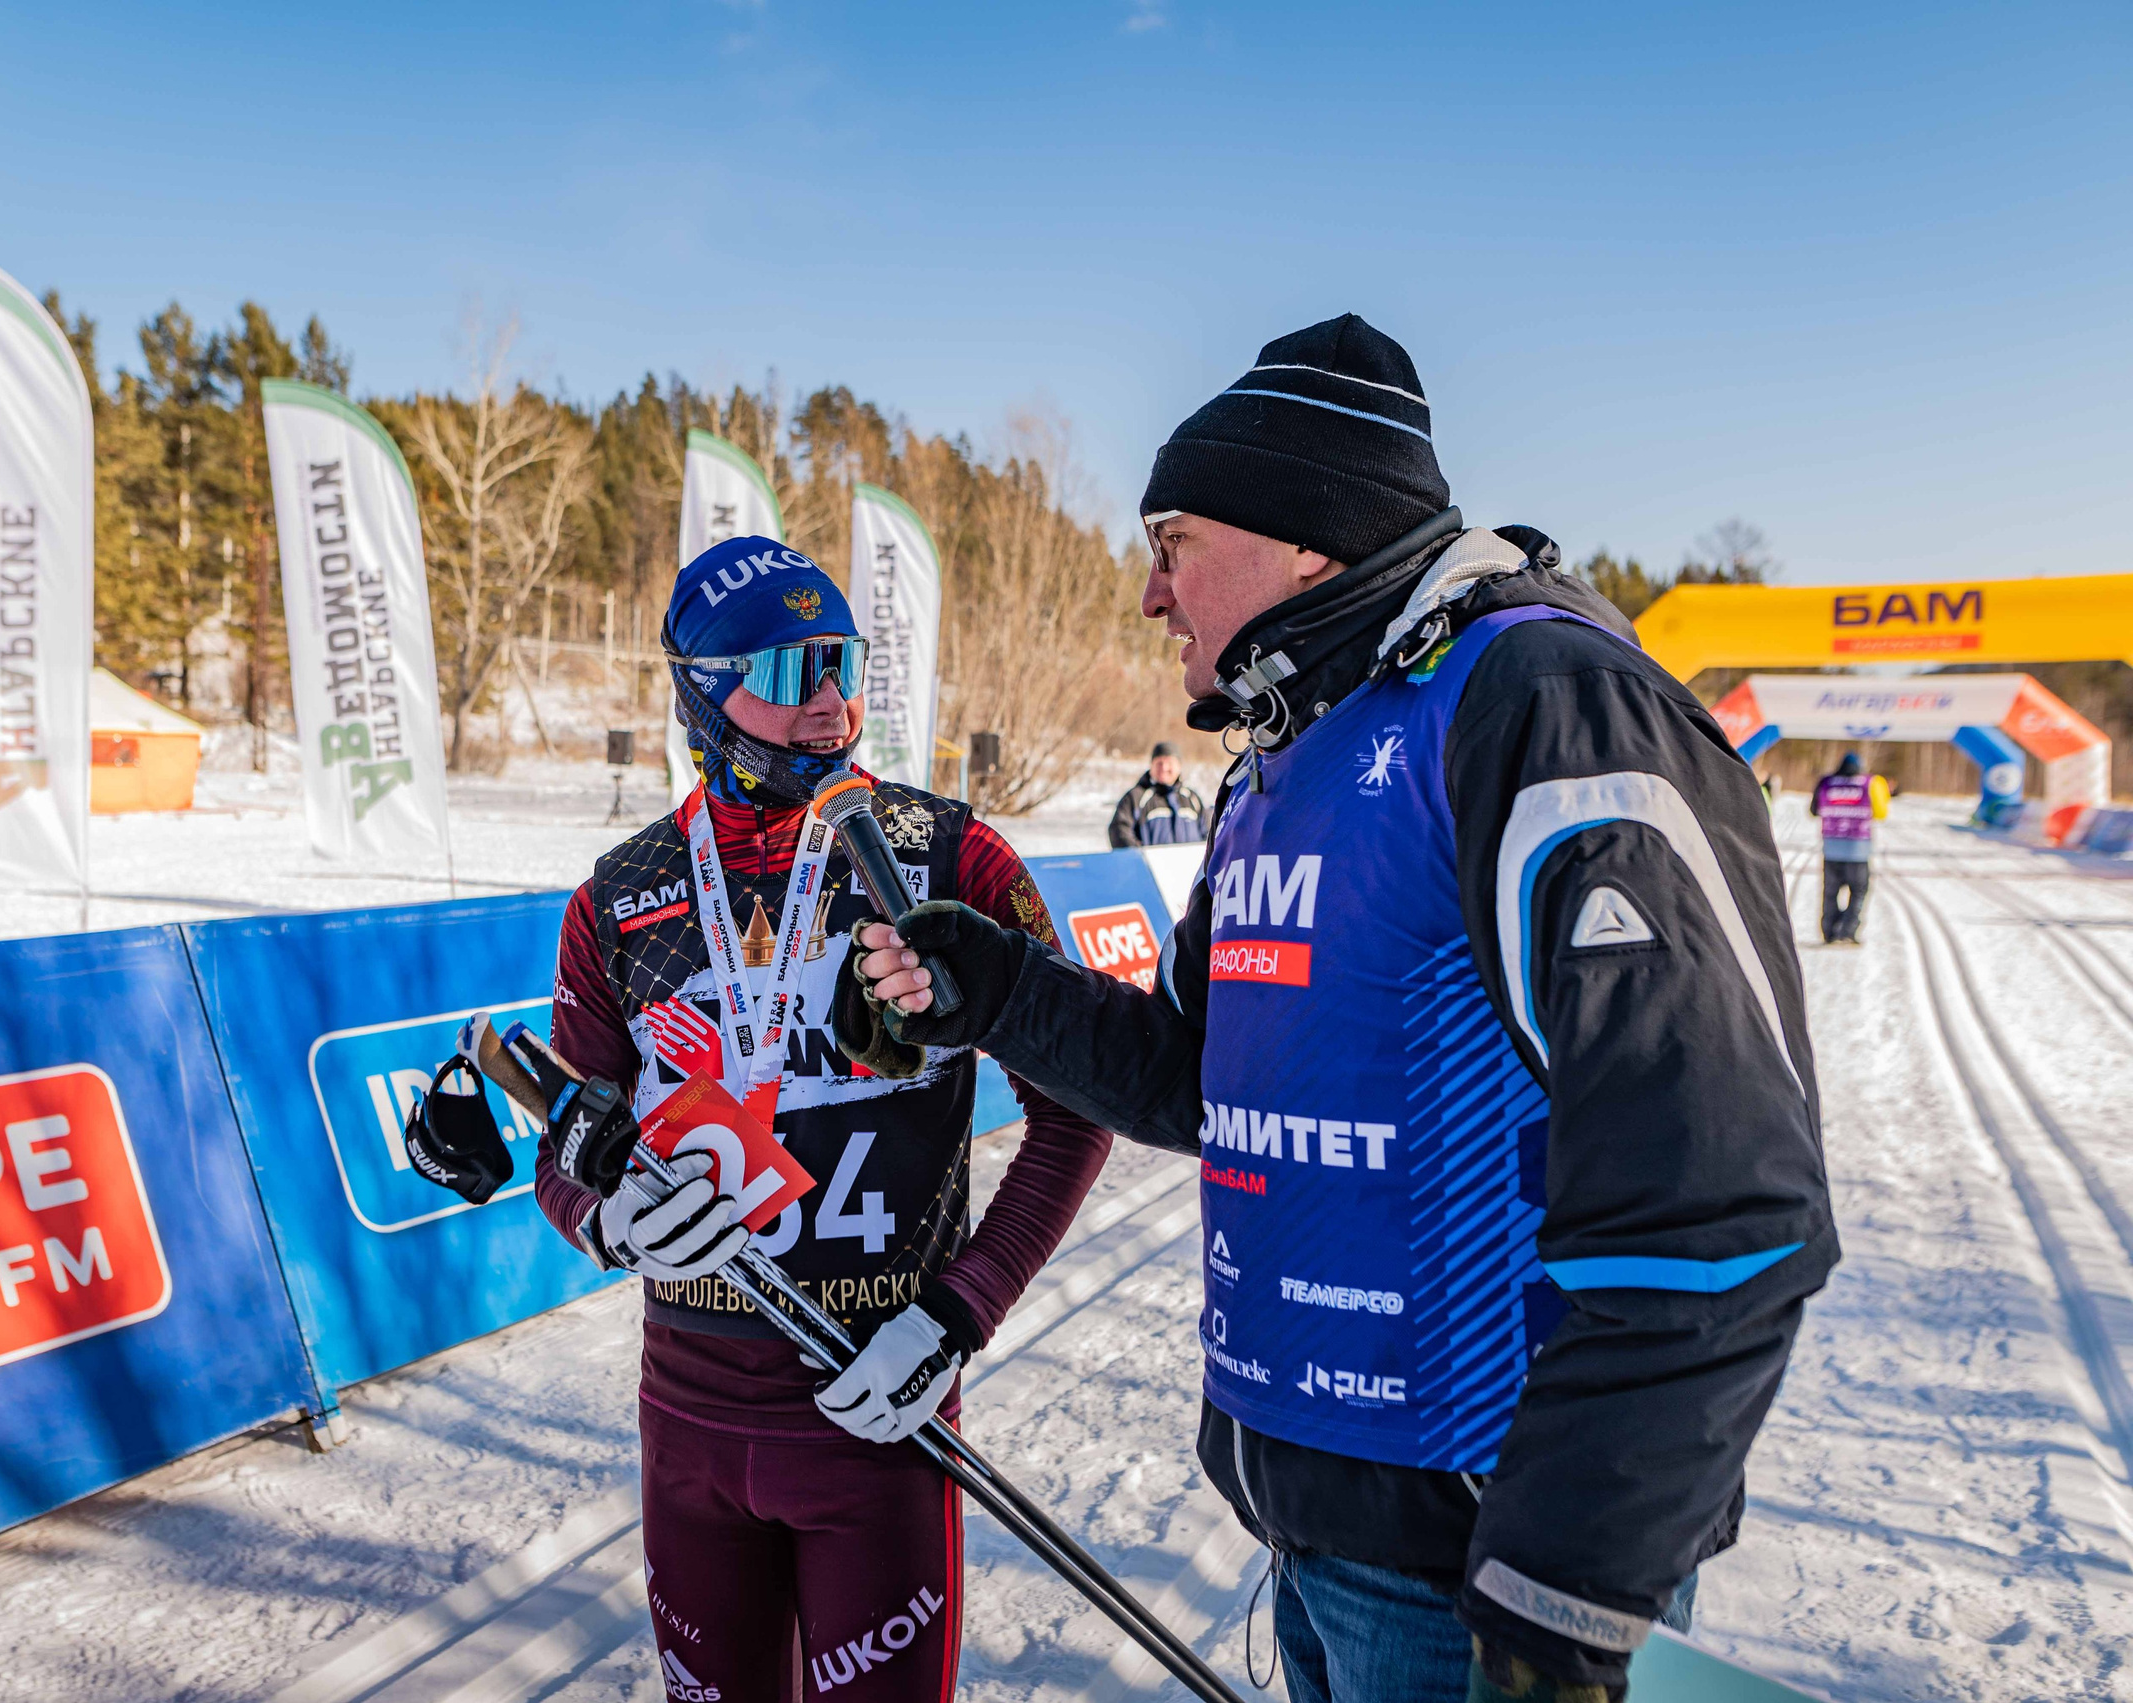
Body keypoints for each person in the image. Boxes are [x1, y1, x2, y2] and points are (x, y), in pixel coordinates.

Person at [834, 317, 1836, 1703]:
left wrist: (1572, 1580)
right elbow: (1197, 1074)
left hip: (1487, 1562)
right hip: (1321, 1532)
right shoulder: (1287, 754)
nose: (1149, 592)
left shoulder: (1543, 700)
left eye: (1172, 539)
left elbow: (1721, 1188)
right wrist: (1000, 988)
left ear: (1304, 541)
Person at [534, 535, 1111, 1703]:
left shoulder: (951, 855)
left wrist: (959, 1312)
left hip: (877, 1403)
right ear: (704, 687)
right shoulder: (619, 894)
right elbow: (568, 1136)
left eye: (844, 663)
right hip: (688, 1418)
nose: (833, 705)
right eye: (793, 674)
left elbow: (1078, 1106)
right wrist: (607, 1222)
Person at [1810, 751, 1889, 944]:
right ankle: (1848, 930)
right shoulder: (1870, 783)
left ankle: (1829, 931)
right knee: (1859, 891)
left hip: (1831, 848)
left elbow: (1814, 810)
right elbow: (1881, 812)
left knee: (1830, 892)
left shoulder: (1826, 782)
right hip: (1858, 850)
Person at [1108, 742, 1210, 847]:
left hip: (1191, 863)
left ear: (1179, 766)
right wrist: (1138, 856)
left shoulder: (1192, 799)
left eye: (1170, 763)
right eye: (1159, 763)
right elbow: (1119, 830)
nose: (1164, 768)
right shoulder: (1136, 797)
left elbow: (1209, 833)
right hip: (1149, 863)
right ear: (1151, 765)